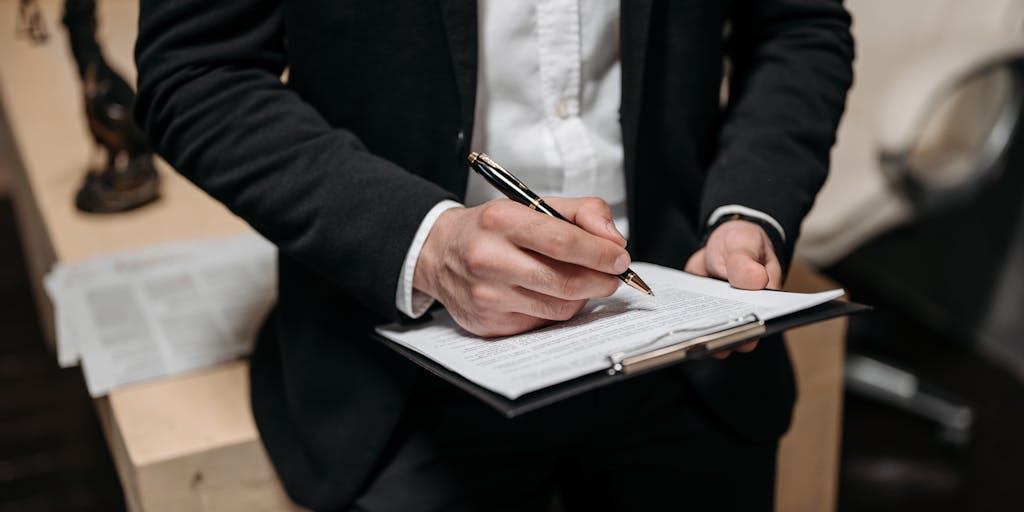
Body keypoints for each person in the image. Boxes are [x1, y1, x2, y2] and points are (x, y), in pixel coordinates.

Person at [135, 1, 853, 510]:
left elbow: (797, 25)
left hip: (684, 342)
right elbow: (199, 71)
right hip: (403, 375)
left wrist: (748, 209)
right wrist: (423, 241)